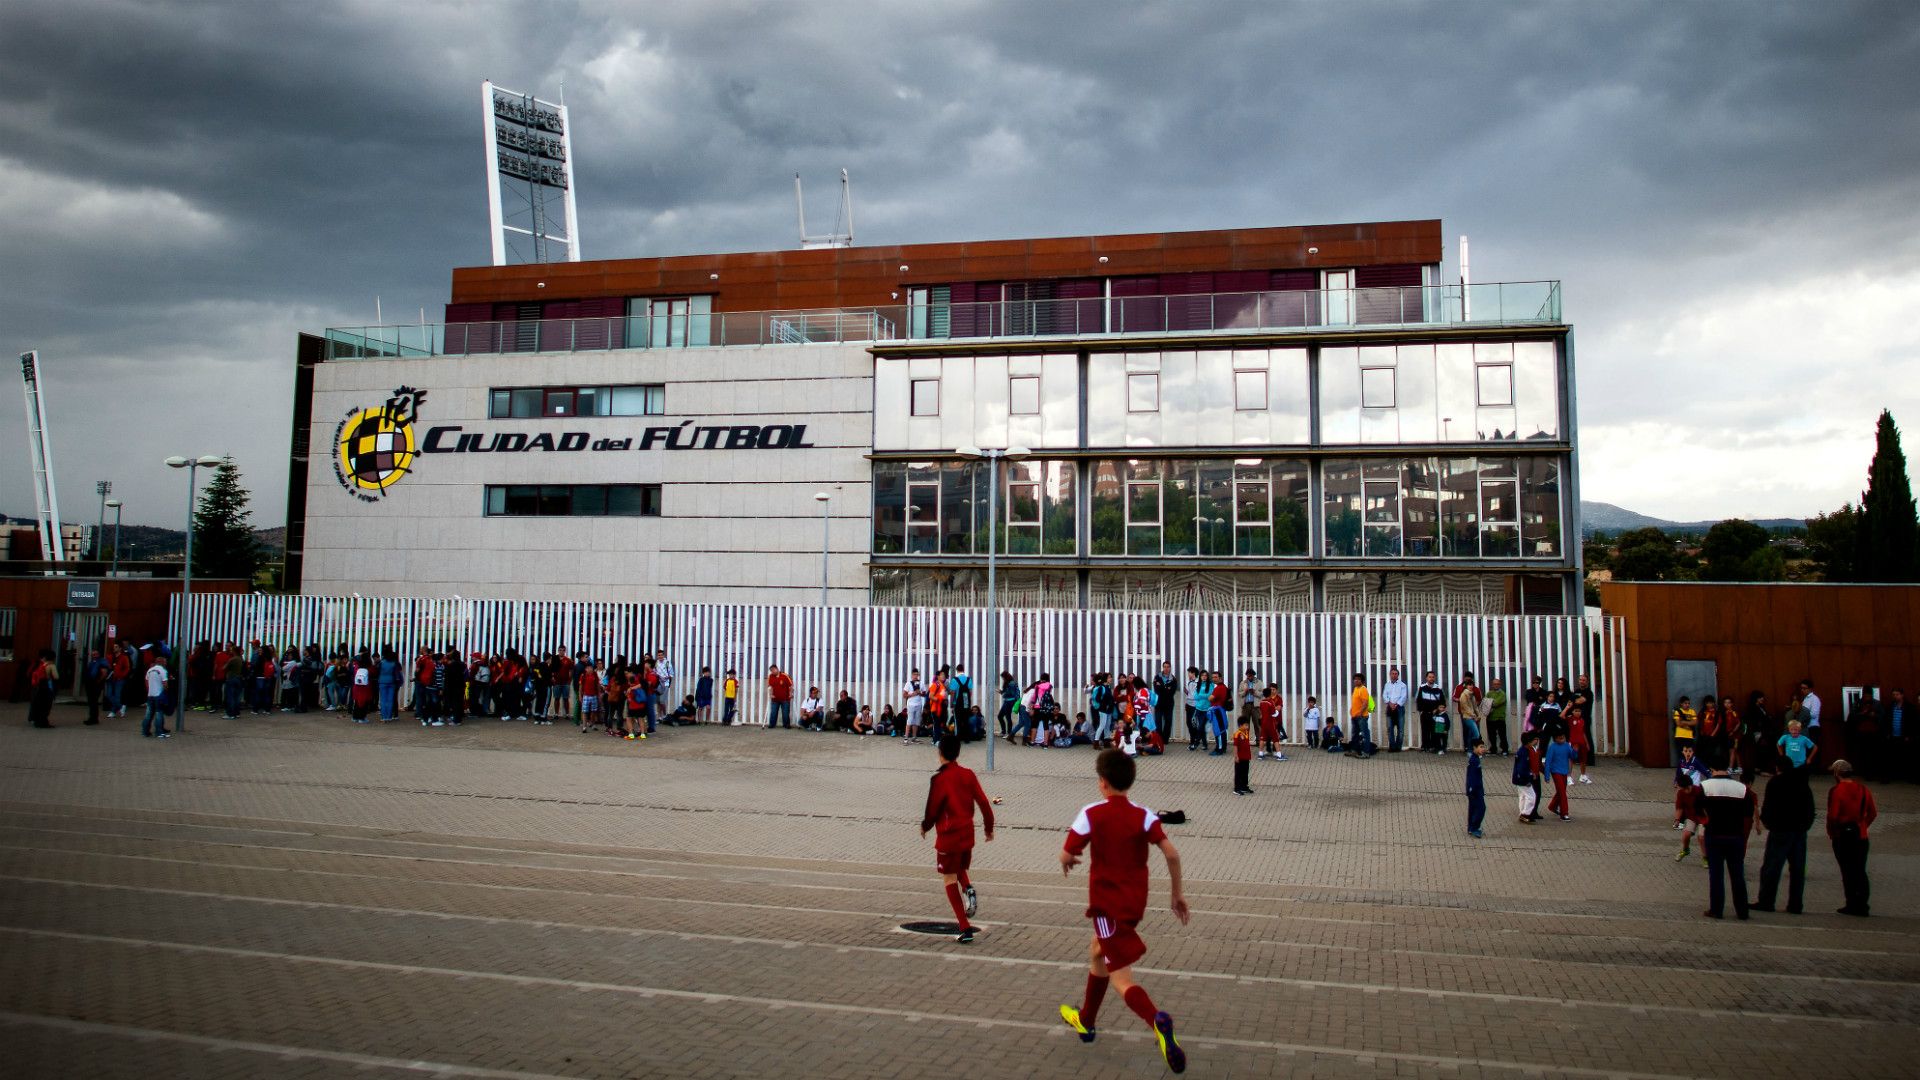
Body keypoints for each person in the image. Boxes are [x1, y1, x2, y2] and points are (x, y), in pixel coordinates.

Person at [1057, 749, 1190, 1074]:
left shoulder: (1092, 813)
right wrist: (1176, 894)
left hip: (1107, 907)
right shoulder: (1144, 815)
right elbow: (1172, 854)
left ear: (1102, 782)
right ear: (1130, 782)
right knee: (1096, 950)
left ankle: (1157, 1020)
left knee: (1121, 979)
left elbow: (1066, 852)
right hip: (1133, 905)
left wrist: (1068, 859)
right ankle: (1086, 1020)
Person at [920, 735, 993, 942]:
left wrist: (925, 826)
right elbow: (984, 802)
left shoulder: (939, 779)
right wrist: (988, 828)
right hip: (967, 833)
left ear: (940, 753)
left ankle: (964, 927)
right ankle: (967, 888)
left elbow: (933, 808)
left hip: (948, 835)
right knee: (959, 865)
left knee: (949, 877)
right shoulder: (968, 774)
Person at [1751, 757, 1814, 915]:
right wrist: (1806, 825)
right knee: (1798, 869)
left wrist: (1767, 822)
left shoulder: (1775, 782)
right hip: (1799, 831)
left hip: (1780, 830)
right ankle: (1795, 904)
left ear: (1778, 768)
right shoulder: (1802, 782)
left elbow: (1769, 805)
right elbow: (1810, 807)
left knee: (1772, 866)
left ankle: (1767, 901)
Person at [1826, 760, 1877, 916]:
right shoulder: (1863, 789)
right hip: (1861, 835)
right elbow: (1873, 812)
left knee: (1847, 871)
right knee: (1860, 870)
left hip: (1843, 836)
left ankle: (1852, 903)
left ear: (1837, 773)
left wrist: (1832, 832)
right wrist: (1863, 826)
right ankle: (1863, 904)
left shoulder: (1836, 791)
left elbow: (1833, 816)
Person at [1673, 744, 1710, 860]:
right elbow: (1679, 807)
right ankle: (1685, 850)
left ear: (1693, 752)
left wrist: (1710, 782)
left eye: (1690, 751)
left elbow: (1706, 772)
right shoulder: (1681, 762)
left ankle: (1705, 857)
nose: (1688, 753)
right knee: (1686, 834)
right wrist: (1677, 819)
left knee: (1701, 837)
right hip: (1692, 816)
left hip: (1703, 817)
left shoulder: (1700, 791)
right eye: (1685, 751)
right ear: (1682, 752)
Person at [1542, 733, 1574, 819]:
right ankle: (1564, 813)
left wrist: (1574, 751)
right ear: (1555, 739)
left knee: (1561, 791)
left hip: (1564, 771)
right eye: (1560, 738)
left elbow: (1572, 756)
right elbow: (1548, 761)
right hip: (1556, 771)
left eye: (1563, 738)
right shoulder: (1552, 747)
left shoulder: (1567, 745)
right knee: (1562, 792)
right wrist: (1547, 775)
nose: (1562, 740)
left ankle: (1553, 806)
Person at [1415, 670, 1447, 754]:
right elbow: (1418, 700)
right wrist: (1421, 711)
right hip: (1425, 713)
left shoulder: (1438, 689)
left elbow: (1442, 701)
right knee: (1425, 731)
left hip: (1435, 714)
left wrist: (1438, 710)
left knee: (1435, 731)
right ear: (1426, 678)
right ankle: (1425, 747)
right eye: (1430, 677)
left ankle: (1434, 747)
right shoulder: (1422, 687)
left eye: (1433, 677)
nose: (1431, 678)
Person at [27, 649, 59, 729]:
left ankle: (35, 719)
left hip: (38, 686)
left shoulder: (40, 664)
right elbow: (56, 677)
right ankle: (42, 722)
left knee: (38, 704)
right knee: (46, 705)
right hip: (47, 686)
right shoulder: (51, 665)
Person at [142, 652, 171, 738]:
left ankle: (145, 731)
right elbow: (165, 684)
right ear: (162, 662)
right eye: (165, 662)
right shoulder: (163, 671)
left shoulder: (150, 670)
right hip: (159, 695)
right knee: (159, 713)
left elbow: (147, 682)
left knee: (148, 714)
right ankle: (159, 732)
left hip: (150, 695)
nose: (166, 664)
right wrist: (166, 691)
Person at [1512, 732, 1539, 823]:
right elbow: (1522, 769)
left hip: (1518, 778)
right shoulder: (1524, 753)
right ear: (1529, 742)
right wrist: (1530, 775)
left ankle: (1522, 812)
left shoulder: (1522, 750)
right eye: (1534, 740)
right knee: (1532, 796)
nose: (1535, 742)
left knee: (1523, 796)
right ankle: (1525, 814)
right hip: (1522, 779)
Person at [1346, 672, 1374, 758]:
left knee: (1365, 734)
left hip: (1361, 717)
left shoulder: (1363, 689)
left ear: (1362, 681)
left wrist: (1360, 713)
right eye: (1355, 679)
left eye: (1358, 679)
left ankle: (1366, 752)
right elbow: (1356, 702)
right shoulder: (1356, 689)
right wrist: (1352, 710)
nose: (1356, 681)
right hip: (1355, 716)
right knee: (1355, 734)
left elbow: (1365, 703)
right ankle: (1354, 750)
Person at [1381, 666, 1409, 752]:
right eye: (1392, 674)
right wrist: (1390, 703)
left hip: (1399, 708)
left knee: (1400, 729)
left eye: (1396, 674)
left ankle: (1398, 747)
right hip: (1390, 708)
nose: (1394, 675)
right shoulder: (1387, 685)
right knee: (1390, 728)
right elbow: (1384, 695)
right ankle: (1392, 747)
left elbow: (1404, 697)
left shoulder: (1402, 685)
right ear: (1390, 675)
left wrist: (1396, 704)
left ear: (1398, 675)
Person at [1256, 685, 1286, 761]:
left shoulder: (1262, 702)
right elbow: (1274, 713)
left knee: (1262, 738)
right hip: (1270, 723)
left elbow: (1261, 712)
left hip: (1263, 723)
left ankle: (1260, 754)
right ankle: (1279, 755)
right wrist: (1276, 712)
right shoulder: (1271, 702)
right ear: (1269, 694)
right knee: (1275, 738)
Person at [1466, 738, 1487, 838]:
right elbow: (1472, 777)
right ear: (1474, 748)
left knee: (1473, 808)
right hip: (1475, 790)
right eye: (1481, 747)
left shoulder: (1475, 758)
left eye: (1483, 747)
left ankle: (1471, 827)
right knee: (1481, 808)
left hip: (1475, 789)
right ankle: (1474, 827)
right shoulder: (1474, 760)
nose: (1483, 749)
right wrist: (1472, 789)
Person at [83, 648, 108, 725]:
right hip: (90, 683)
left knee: (93, 701)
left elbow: (104, 673)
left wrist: (98, 681)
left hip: (96, 684)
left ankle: (93, 718)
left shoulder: (102, 662)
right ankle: (93, 718)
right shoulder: (92, 662)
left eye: (95, 654)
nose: (94, 656)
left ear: (98, 654)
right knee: (91, 702)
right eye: (93, 654)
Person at [902, 668, 928, 744]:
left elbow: (925, 694)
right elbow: (904, 695)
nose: (916, 676)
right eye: (914, 674)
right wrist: (912, 694)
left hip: (919, 704)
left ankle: (914, 737)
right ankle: (906, 738)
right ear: (912, 675)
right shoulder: (908, 684)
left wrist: (920, 693)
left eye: (917, 674)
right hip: (910, 704)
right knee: (909, 720)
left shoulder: (921, 683)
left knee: (916, 721)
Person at [1230, 715, 1253, 796]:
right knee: (1238, 773)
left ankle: (1244, 786)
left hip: (1246, 757)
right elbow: (1235, 746)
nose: (1247, 727)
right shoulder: (1237, 734)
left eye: (1247, 725)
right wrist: (1236, 756)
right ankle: (1237, 788)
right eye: (1245, 725)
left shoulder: (1246, 732)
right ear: (1240, 726)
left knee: (1245, 772)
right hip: (1240, 757)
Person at [766, 664, 793, 729]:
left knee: (785, 713)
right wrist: (770, 694)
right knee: (773, 712)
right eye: (771, 671)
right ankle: (772, 724)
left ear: (777, 669)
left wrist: (791, 693)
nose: (772, 672)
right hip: (775, 699)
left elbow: (791, 686)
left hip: (785, 698)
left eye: (773, 670)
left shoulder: (785, 676)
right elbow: (770, 687)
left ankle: (786, 725)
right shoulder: (770, 676)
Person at [996, 671, 1019, 739]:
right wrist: (1002, 692)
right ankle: (1004, 732)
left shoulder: (1011, 683)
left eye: (1003, 678)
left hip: (1010, 701)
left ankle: (1009, 733)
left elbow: (1011, 693)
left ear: (1005, 677)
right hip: (1007, 701)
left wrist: (1002, 693)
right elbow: (1008, 692)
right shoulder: (1009, 683)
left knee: (1007, 717)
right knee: (1000, 716)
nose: (1003, 679)